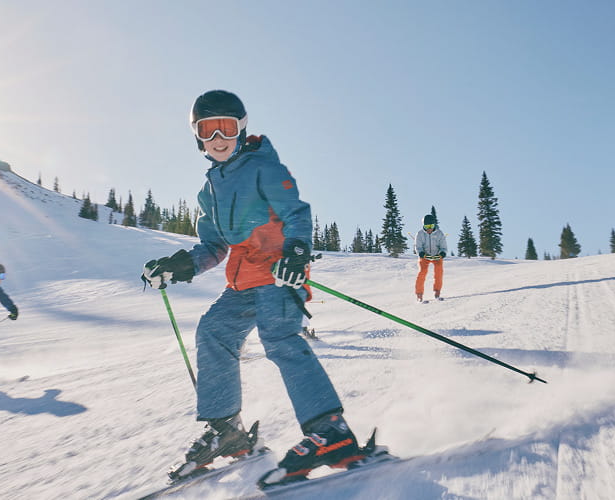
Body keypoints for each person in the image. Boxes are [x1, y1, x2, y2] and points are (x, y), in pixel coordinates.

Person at [142, 90, 362, 485]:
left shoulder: (263, 167)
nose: (218, 138)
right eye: (208, 130)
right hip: (243, 282)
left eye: (225, 127)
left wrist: (296, 253)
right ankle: (227, 431)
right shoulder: (209, 189)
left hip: (279, 273)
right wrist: (179, 267)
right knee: (213, 332)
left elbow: (297, 212)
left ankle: (331, 432)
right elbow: (213, 246)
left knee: (279, 338)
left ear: (241, 128)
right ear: (197, 136)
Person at [414, 214, 447, 302]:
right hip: (425, 256)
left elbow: (443, 247)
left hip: (436, 255)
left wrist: (441, 254)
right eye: (426, 226)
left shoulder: (439, 233)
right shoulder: (420, 234)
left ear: (434, 225)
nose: (429, 229)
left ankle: (437, 292)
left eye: (431, 226)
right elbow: (418, 247)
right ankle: (419, 294)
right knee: (422, 272)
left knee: (439, 271)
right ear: (423, 226)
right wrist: (421, 254)